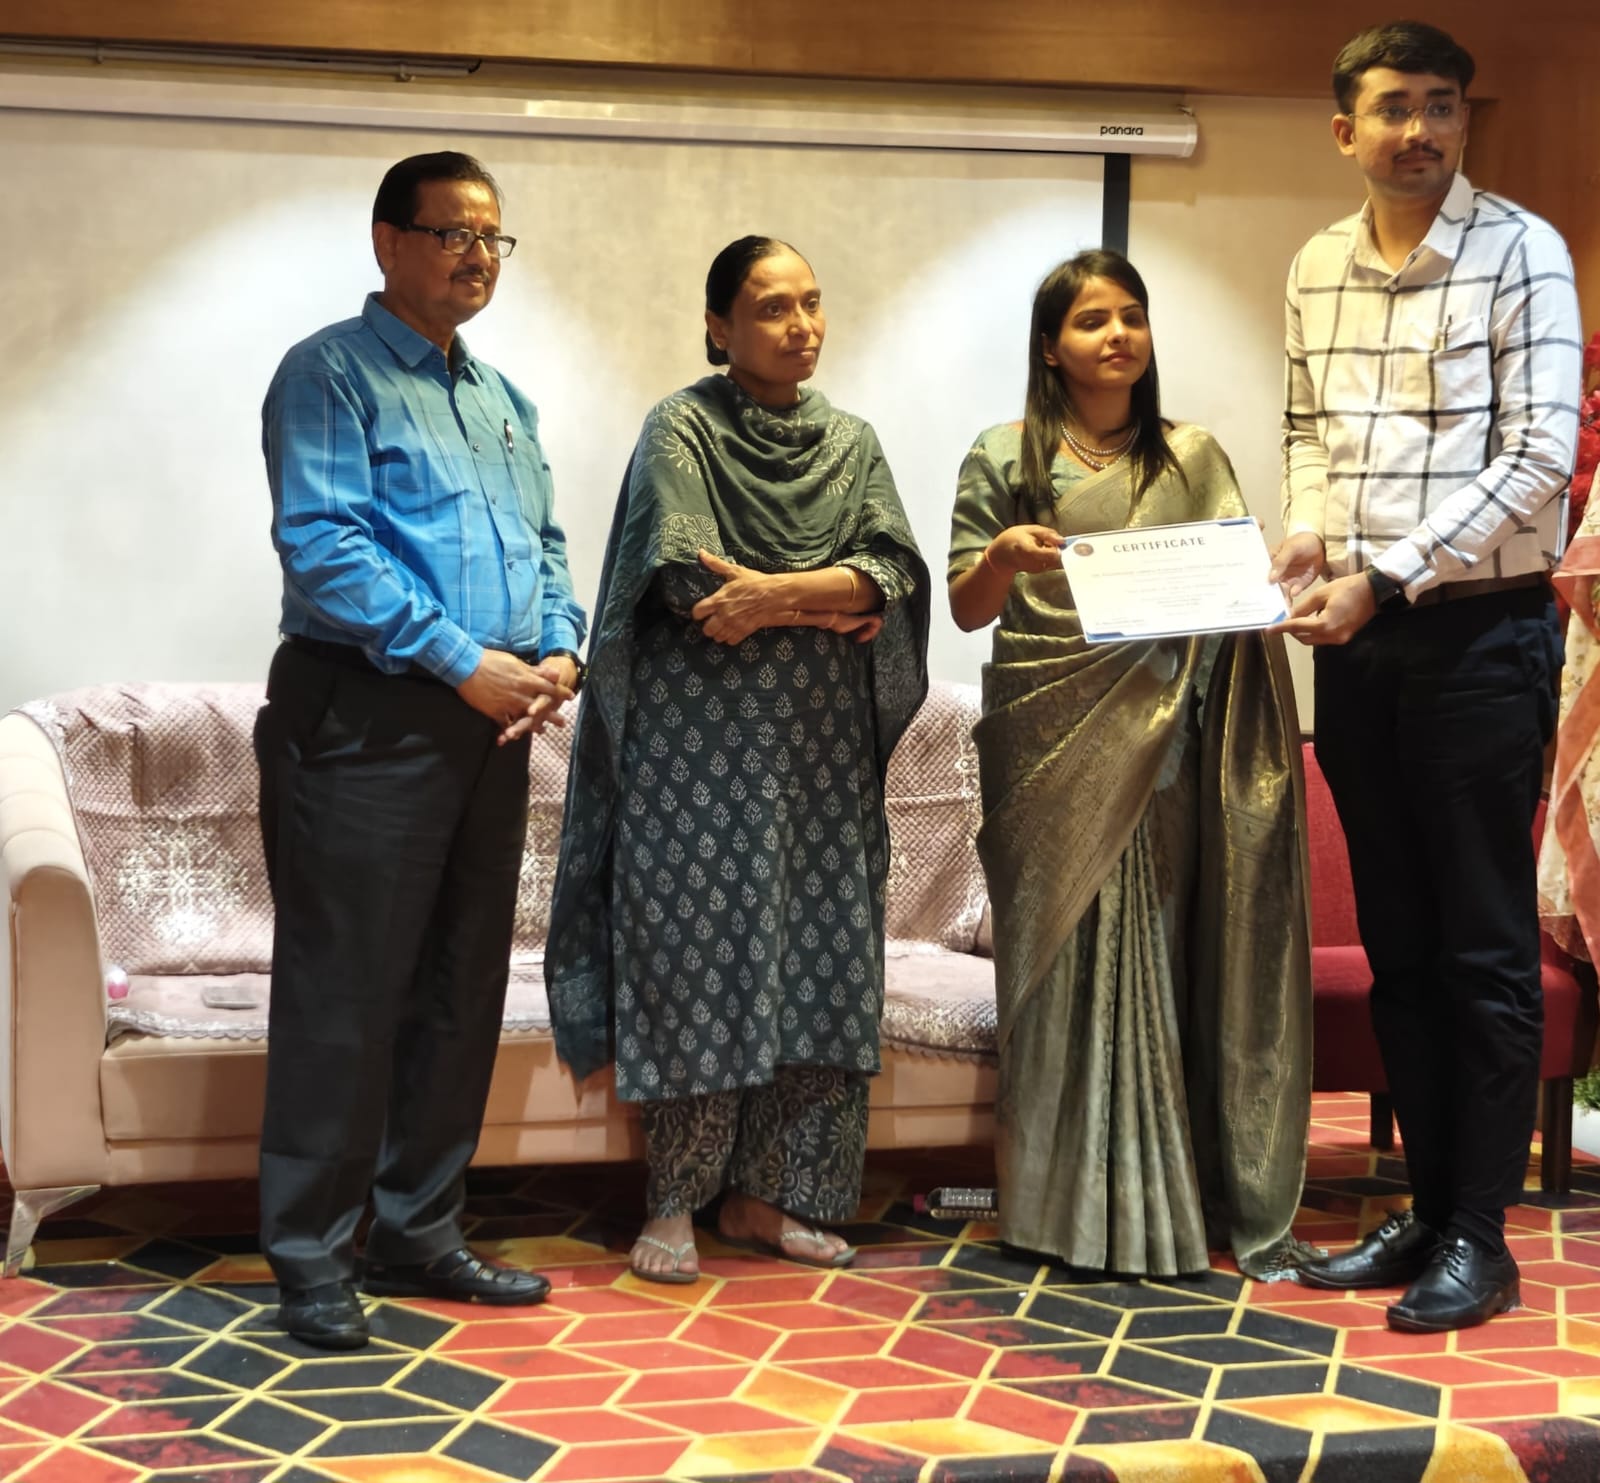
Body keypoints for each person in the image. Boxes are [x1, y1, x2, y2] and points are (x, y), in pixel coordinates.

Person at [1271, 22, 1580, 1332]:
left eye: (1441, 106)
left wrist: (1382, 574)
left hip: (1480, 636)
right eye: (1394, 107)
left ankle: (1481, 1234)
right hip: (1362, 642)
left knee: (1480, 942)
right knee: (1399, 940)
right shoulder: (1314, 264)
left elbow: (1540, 456)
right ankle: (1426, 1205)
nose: (1421, 129)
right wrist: (1305, 533)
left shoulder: (1524, 252)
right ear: (1346, 129)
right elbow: (1304, 429)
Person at [545, 236, 929, 1284]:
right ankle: (674, 1198)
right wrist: (829, 596)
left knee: (821, 960)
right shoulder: (681, 427)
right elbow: (685, 577)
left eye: (811, 303)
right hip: (696, 756)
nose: (801, 326)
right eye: (771, 307)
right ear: (718, 327)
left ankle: (773, 1197)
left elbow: (891, 570)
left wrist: (781, 595)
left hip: (819, 759)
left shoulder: (851, 442)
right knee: (697, 956)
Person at [256, 151, 588, 1348]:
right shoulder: (329, 374)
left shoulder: (502, 399)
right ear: (388, 241)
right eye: (453, 233)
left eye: (493, 237)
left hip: (489, 723)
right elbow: (325, 547)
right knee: (345, 995)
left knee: (460, 987)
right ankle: (311, 1254)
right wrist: (460, 658)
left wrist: (560, 647)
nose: (477, 256)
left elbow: (545, 544)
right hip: (366, 717)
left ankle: (418, 1231)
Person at [948, 249, 1313, 1281]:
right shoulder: (1003, 455)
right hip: (1042, 746)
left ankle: (1163, 1206)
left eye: (1131, 316)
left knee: (1155, 952)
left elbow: (1231, 608)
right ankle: (1051, 1207)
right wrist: (1002, 558)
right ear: (1049, 347)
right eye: (1091, 320)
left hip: (1160, 749)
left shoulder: (1190, 457)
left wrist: (1248, 591)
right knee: (1053, 963)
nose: (1117, 335)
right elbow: (967, 608)